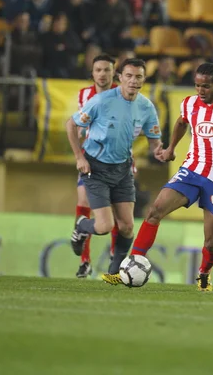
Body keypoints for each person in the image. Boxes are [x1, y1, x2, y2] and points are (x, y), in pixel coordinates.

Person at [102, 63, 213, 291]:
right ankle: (130, 265)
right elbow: (182, 122)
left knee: (210, 242)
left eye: (206, 86)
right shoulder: (190, 103)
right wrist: (171, 148)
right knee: (154, 212)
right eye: (197, 85)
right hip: (191, 170)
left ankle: (204, 273)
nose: (200, 90)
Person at [66, 58, 166, 279]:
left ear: (144, 79)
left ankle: (114, 274)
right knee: (103, 226)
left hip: (122, 169)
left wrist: (161, 152)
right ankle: (83, 225)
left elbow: (154, 142)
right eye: (129, 76)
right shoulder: (101, 100)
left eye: (138, 76)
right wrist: (78, 158)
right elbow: (71, 125)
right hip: (96, 168)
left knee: (127, 227)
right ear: (120, 77)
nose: (133, 81)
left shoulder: (147, 107)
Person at [72, 54, 119, 278]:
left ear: (113, 73)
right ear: (92, 73)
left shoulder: (124, 94)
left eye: (106, 70)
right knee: (83, 202)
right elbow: (81, 123)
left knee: (118, 211)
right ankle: (85, 261)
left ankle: (114, 259)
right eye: (98, 70)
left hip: (118, 158)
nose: (102, 74)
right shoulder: (85, 94)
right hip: (91, 157)